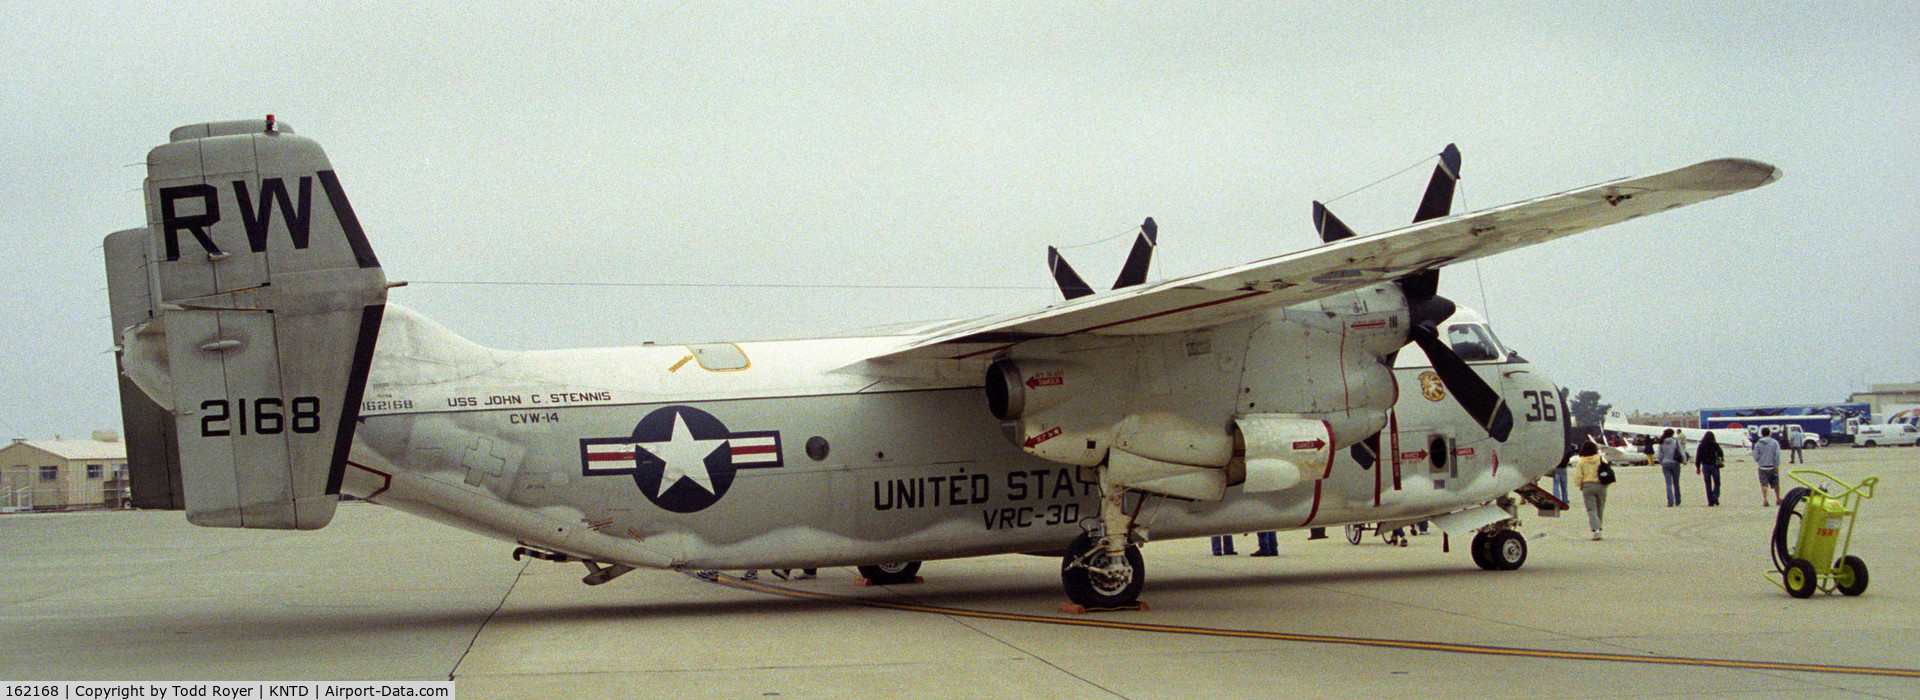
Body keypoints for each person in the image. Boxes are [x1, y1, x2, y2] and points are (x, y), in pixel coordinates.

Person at [1573, 441, 1608, 540]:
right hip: (1601, 485)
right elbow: (1608, 471)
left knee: (1591, 509)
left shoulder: (1582, 461)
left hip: (1588, 485)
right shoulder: (1601, 459)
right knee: (1600, 508)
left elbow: (1578, 476)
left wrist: (1580, 485)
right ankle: (1599, 528)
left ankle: (1596, 530)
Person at [1657, 429, 1689, 507]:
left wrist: (1661, 462)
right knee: (1676, 483)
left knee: (1668, 483)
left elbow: (1659, 455)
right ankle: (1677, 500)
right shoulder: (1676, 442)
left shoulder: (1661, 442)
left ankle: (1670, 501)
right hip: (1675, 463)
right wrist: (1684, 461)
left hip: (1665, 463)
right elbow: (1682, 452)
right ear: (1672, 434)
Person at [1753, 428, 1783, 506]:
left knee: (1764, 484)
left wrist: (1760, 460)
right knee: (1776, 484)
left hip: (1762, 467)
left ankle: (1765, 499)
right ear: (1769, 433)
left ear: (1762, 434)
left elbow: (1755, 456)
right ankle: (1778, 498)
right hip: (1772, 467)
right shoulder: (1774, 442)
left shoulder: (1758, 443)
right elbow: (1777, 455)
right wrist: (1776, 465)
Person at [1696, 431, 1724, 507]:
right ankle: (1715, 495)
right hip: (1714, 465)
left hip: (1705, 466)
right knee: (1717, 482)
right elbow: (1721, 453)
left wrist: (1697, 467)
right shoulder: (1715, 444)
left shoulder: (1701, 445)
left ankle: (1710, 502)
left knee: (1708, 484)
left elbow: (1698, 457)